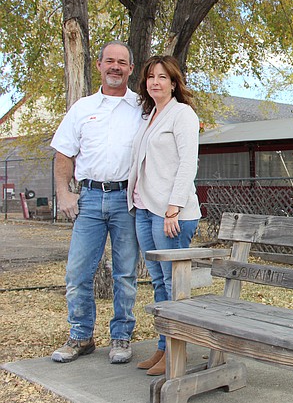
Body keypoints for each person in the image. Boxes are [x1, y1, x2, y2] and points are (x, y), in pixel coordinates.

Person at [50, 40, 143, 364]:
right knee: (77, 273)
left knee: (125, 274)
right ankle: (81, 337)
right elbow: (64, 153)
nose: (115, 67)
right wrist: (64, 192)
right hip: (88, 200)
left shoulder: (142, 109)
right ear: (99, 65)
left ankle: (121, 337)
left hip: (125, 201)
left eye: (122, 62)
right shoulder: (82, 108)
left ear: (131, 69)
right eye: (109, 61)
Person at [127, 55, 201, 375]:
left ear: (173, 83)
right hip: (144, 210)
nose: (155, 82)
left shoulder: (181, 114)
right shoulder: (150, 117)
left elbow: (188, 163)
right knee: (158, 283)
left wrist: (174, 207)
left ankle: (176, 353)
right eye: (150, 77)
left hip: (171, 214)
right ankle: (162, 348)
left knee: (173, 285)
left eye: (162, 77)